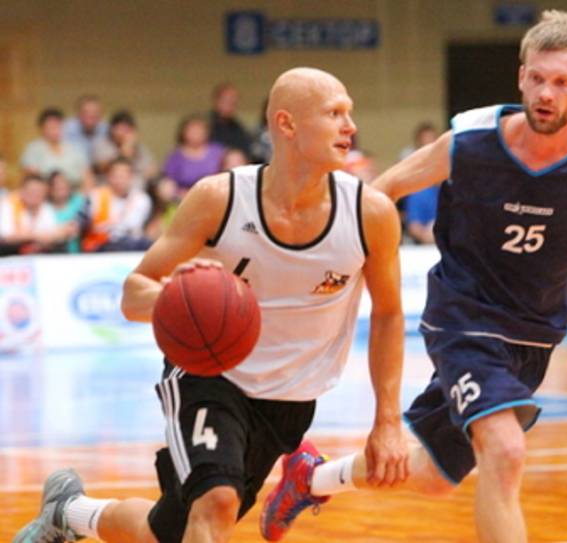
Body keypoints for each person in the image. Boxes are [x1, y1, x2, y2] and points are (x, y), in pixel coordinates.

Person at [261, 10, 567, 543]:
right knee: (506, 450)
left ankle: (312, 478)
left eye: (562, 82)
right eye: (537, 78)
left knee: (432, 474)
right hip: (464, 319)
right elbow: (383, 192)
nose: (546, 93)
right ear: (521, 76)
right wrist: (324, 256)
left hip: (534, 334)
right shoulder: (472, 140)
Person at [14, 67, 407, 543]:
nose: (350, 126)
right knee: (215, 503)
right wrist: (179, 298)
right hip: (210, 374)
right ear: (286, 124)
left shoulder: (370, 214)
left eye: (350, 113)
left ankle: (69, 511)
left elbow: (388, 314)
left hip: (290, 399)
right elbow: (134, 293)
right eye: (335, 113)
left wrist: (388, 420)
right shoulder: (221, 199)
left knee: (168, 531)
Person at [81, 158, 153, 252]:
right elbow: (89, 227)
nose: (119, 180)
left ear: (131, 177)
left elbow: (137, 226)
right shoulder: (96, 197)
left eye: (123, 176)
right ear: (108, 177)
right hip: (102, 246)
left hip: (133, 245)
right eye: (115, 176)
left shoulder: (141, 199)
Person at [20, 108, 94, 193]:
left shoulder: (75, 148)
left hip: (75, 194)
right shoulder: (34, 149)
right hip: (45, 196)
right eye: (50, 127)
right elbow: (31, 178)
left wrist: (83, 195)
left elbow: (87, 177)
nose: (55, 130)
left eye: (58, 126)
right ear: (42, 128)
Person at [92, 110, 158, 188]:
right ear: (112, 129)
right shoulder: (102, 144)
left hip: (136, 185)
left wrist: (149, 172)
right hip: (108, 185)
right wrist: (123, 153)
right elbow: (101, 167)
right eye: (120, 129)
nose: (123, 133)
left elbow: (152, 167)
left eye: (127, 129)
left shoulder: (138, 147)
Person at [163, 114, 226, 195]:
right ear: (183, 132)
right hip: (183, 196)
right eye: (192, 130)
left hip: (215, 193)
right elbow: (168, 179)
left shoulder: (218, 152)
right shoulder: (175, 156)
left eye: (199, 129)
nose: (196, 133)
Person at [209, 82, 253, 156]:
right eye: (226, 101)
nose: (230, 105)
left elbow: (246, 151)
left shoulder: (239, 129)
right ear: (216, 101)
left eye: (233, 102)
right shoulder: (205, 125)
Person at [48, 170, 86, 253]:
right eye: (57, 185)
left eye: (64, 183)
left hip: (77, 253)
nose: (62, 186)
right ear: (50, 189)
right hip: (53, 254)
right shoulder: (46, 208)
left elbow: (79, 225)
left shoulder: (78, 201)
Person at [63, 94, 108, 162]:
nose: (90, 115)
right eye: (86, 112)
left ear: (100, 115)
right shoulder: (66, 129)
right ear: (78, 114)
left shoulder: (106, 129)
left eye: (95, 112)